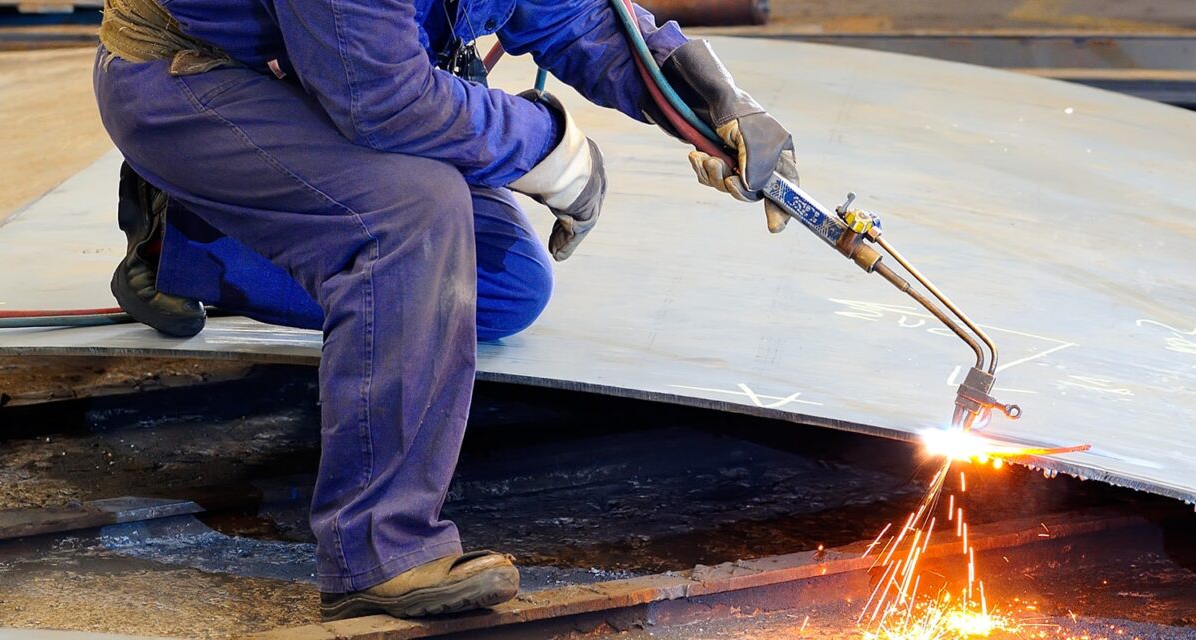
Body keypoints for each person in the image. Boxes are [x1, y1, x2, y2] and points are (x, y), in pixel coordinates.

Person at [93, 0, 798, 621]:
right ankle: (379, 551)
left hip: (311, 78)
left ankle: (182, 244)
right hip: (198, 85)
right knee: (412, 216)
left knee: (507, 284)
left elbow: (579, 18)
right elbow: (379, 100)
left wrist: (711, 101)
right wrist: (549, 145)